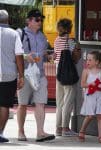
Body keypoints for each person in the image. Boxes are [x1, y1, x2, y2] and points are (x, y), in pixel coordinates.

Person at [17, 9, 55, 142]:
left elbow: (43, 55)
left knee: (40, 103)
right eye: (37, 19)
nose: (40, 22)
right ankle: (21, 131)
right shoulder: (20, 34)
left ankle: (40, 132)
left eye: (41, 20)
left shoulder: (42, 36)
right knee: (22, 104)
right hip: (25, 74)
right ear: (29, 21)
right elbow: (13, 53)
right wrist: (26, 56)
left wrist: (49, 56)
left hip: (40, 75)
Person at [0, 10, 24, 143]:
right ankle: (0, 133)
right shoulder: (14, 34)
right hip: (9, 75)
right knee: (4, 105)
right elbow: (19, 56)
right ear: (8, 20)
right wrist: (21, 75)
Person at [54, 18, 81, 137]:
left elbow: (56, 57)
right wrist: (78, 49)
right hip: (68, 73)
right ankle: (66, 128)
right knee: (68, 101)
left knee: (59, 101)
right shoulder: (71, 41)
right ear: (69, 28)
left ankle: (58, 128)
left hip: (58, 72)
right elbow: (75, 58)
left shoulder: (56, 40)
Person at [78, 50, 101, 143]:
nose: (87, 62)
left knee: (100, 116)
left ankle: (100, 136)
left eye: (90, 60)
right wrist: (91, 84)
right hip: (90, 96)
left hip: (100, 96)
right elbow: (82, 84)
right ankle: (82, 130)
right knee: (90, 116)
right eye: (87, 60)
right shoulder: (86, 71)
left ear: (97, 62)